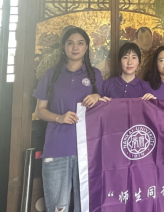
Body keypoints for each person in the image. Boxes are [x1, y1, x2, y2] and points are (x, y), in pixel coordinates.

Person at [34, 27, 104, 213]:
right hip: (56, 148)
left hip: (87, 151)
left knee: (86, 206)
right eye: (70, 43)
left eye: (80, 43)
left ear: (86, 47)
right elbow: (39, 110)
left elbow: (106, 110)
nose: (75, 47)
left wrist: (97, 97)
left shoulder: (95, 75)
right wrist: (59, 117)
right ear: (64, 47)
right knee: (58, 207)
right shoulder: (51, 75)